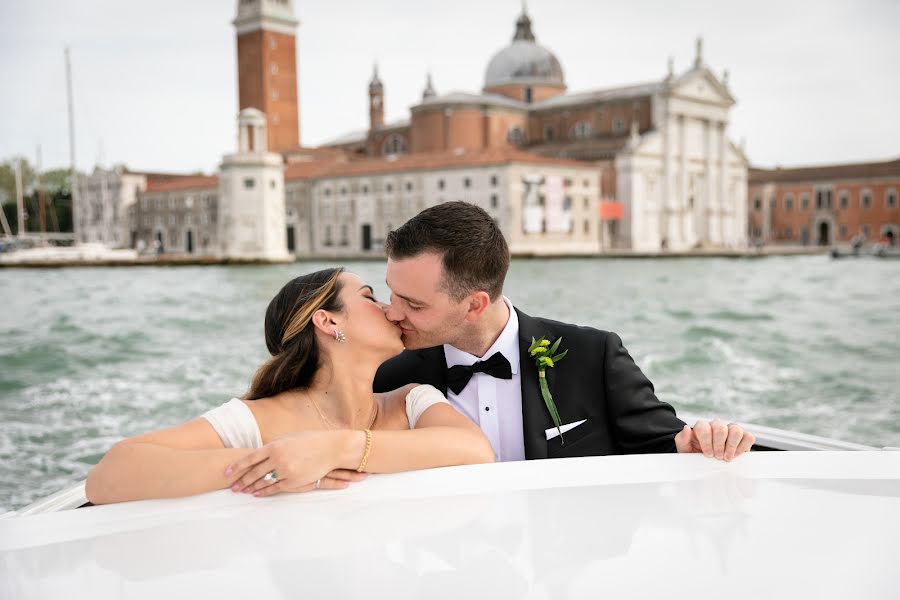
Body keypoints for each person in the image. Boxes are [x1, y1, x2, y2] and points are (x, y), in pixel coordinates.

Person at [374, 201, 755, 462]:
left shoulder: (594, 355)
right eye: (392, 294)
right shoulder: (389, 377)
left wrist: (708, 441)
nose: (392, 313)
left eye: (414, 304)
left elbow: (664, 444)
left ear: (475, 304)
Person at [86, 268, 494, 504]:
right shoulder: (255, 421)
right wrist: (274, 465)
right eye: (370, 297)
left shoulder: (411, 401)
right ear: (328, 322)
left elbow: (477, 453)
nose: (392, 309)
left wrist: (333, 450)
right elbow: (108, 477)